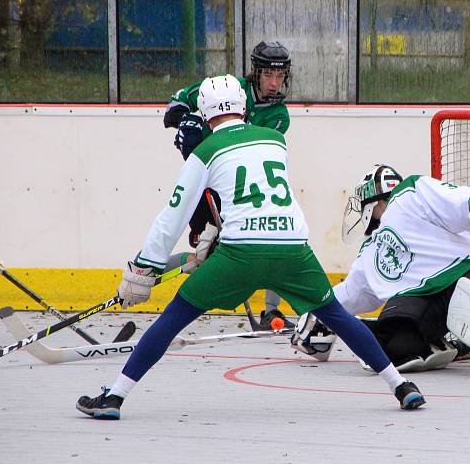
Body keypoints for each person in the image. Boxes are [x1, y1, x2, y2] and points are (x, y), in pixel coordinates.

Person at [76, 77, 425, 420]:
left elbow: (173, 217)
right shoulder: (275, 141)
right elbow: (257, 195)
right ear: (243, 107)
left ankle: (114, 397)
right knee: (339, 318)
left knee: (174, 317)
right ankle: (401, 386)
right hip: (293, 250)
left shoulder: (205, 151)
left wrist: (144, 267)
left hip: (240, 254)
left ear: (205, 112)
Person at [292, 164, 470, 381]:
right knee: (396, 349)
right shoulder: (368, 253)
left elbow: (452, 200)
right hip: (418, 301)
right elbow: (351, 294)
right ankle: (451, 346)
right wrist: (317, 312)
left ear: (369, 198)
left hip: (462, 276)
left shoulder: (411, 192)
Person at [162, 41, 295, 329]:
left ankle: (271, 311)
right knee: (205, 257)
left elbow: (241, 147)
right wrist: (189, 121)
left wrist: (201, 134)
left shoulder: (278, 116)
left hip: (245, 192)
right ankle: (144, 272)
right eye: (269, 75)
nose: (275, 83)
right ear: (256, 73)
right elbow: (173, 109)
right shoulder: (227, 89)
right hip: (210, 185)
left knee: (276, 243)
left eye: (280, 76)